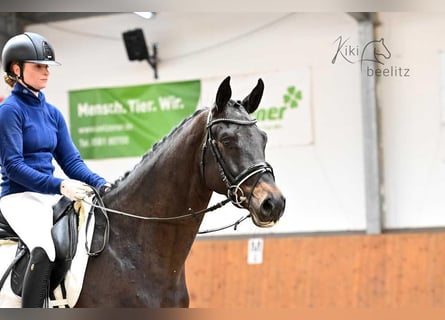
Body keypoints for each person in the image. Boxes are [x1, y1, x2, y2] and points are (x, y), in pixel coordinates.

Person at [0, 32, 109, 308]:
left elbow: (72, 162)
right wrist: (60, 186)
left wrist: (104, 185)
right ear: (17, 69)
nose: (46, 71)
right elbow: (13, 166)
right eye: (39, 66)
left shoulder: (53, 114)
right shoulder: (9, 111)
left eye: (47, 66)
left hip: (48, 195)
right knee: (44, 248)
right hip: (19, 197)